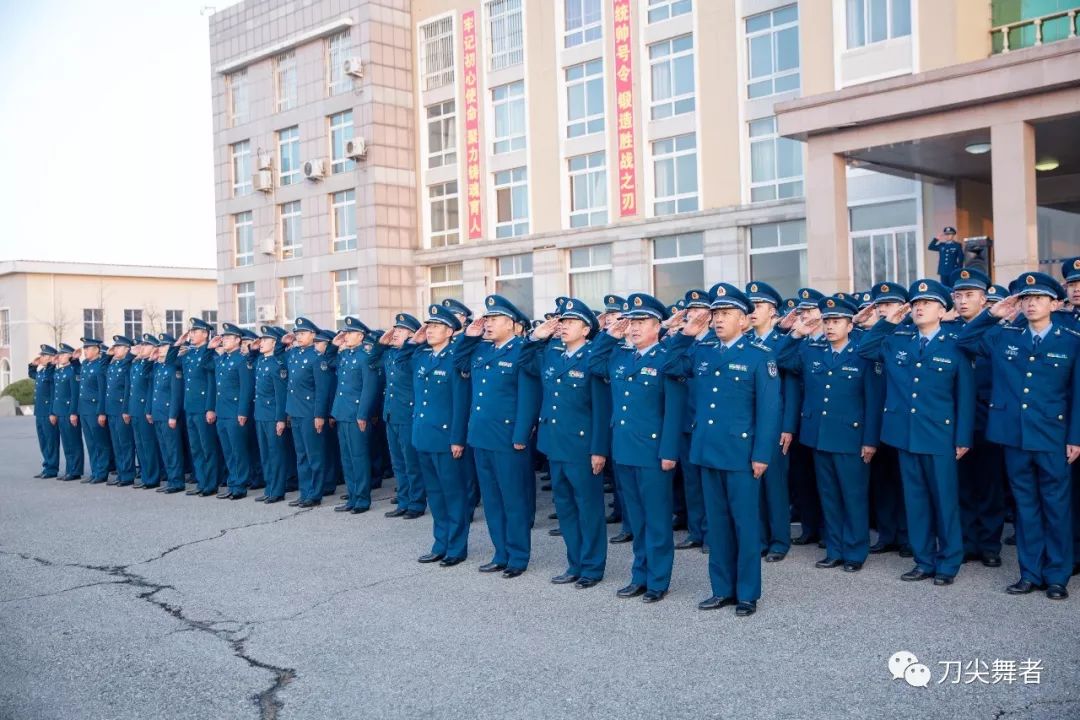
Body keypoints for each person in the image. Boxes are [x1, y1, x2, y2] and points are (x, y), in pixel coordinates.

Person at [957, 272, 1079, 600]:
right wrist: (991, 314)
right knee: (1026, 506)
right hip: (1014, 436)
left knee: (1056, 506)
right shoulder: (1004, 336)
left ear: (1054, 303)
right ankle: (1030, 573)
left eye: (1038, 298)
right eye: (1026, 298)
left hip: (1053, 436)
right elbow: (965, 341)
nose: (1031, 303)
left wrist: (1076, 436)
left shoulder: (1071, 340)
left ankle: (1057, 576)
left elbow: (1078, 393)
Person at [665, 284, 779, 616]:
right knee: (717, 525)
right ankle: (722, 589)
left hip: (741, 454)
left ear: (744, 320)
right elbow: (670, 367)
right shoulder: (703, 351)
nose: (718, 319)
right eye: (715, 314)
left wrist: (761, 455)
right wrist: (685, 335)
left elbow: (769, 410)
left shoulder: (759, 355)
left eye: (726, 314)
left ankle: (747, 594)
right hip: (708, 450)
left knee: (745, 525)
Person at [857, 279, 974, 586]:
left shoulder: (955, 343)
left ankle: (948, 562)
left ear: (942, 310)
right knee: (916, 501)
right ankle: (924, 561)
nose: (920, 307)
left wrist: (963, 436)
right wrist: (887, 322)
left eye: (927, 303)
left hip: (939, 436)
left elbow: (965, 394)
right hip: (905, 434)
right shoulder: (898, 340)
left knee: (944, 501)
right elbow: (865, 349)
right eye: (916, 303)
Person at [589, 293, 685, 604]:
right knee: (636, 518)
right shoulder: (620, 357)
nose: (634, 328)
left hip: (654, 453)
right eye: (631, 322)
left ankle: (658, 580)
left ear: (658, 326)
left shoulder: (666, 359)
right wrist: (609, 335)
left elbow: (674, 411)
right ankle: (639, 576)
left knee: (656, 519)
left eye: (642, 322)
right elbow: (593, 364)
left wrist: (669, 452)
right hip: (625, 449)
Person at [777, 296, 883, 572]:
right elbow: (782, 359)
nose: (831, 326)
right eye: (827, 321)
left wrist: (870, 440)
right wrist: (796, 334)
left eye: (837, 321)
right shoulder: (813, 351)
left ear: (850, 325)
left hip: (851, 438)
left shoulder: (862, 353)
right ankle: (835, 550)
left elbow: (872, 401)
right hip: (820, 436)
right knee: (829, 497)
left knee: (853, 497)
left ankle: (855, 552)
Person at [454, 295, 541, 578]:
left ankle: (518, 556)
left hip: (508, 437)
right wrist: (468, 337)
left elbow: (528, 397)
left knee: (513, 499)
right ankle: (500, 553)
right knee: (492, 500)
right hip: (481, 436)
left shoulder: (522, 351)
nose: (488, 324)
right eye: (487, 319)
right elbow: (458, 363)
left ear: (511, 324)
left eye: (494, 319)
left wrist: (521, 435)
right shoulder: (481, 350)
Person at [526, 299, 611, 588]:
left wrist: (599, 449)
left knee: (588, 509)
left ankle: (592, 567)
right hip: (555, 444)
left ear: (586, 330)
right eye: (562, 322)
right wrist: (535, 338)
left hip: (582, 447)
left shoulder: (593, 358)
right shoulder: (553, 355)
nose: (563, 327)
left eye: (570, 322)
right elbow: (525, 362)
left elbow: (601, 409)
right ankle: (575, 563)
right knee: (565, 508)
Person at [948, 268, 1005, 567]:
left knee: (989, 482)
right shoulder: (947, 329)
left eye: (969, 295)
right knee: (962, 482)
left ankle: (990, 544)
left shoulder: (997, 330)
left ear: (984, 299)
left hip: (987, 413)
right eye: (958, 295)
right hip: (955, 416)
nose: (962, 301)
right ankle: (968, 540)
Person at [411, 304, 472, 567]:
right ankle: (440, 544)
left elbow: (461, 403)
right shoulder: (423, 357)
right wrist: (413, 342)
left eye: (436, 327)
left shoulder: (455, 359)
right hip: (424, 436)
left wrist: (457, 438)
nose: (430, 330)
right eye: (429, 326)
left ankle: (456, 547)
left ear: (450, 332)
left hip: (446, 439)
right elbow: (401, 361)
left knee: (453, 494)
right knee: (435, 495)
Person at [745, 281, 798, 563]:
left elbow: (790, 387)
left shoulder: (781, 342)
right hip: (747, 423)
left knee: (774, 484)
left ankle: (779, 540)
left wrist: (788, 426)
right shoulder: (746, 341)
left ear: (773, 311)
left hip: (775, 423)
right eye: (750, 306)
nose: (753, 310)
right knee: (752, 483)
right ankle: (760, 538)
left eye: (759, 306)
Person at [283, 317, 335, 508]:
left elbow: (322, 390)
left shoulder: (317, 358)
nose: (299, 337)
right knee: (301, 455)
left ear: (313, 335)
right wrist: (284, 342)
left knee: (314, 455)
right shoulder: (294, 355)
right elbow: (278, 354)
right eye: (297, 334)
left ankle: (315, 493)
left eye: (303, 333)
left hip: (310, 413)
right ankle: (305, 492)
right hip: (295, 411)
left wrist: (320, 415)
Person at [330, 316, 379, 514]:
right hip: (342, 412)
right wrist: (334, 346)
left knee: (358, 457)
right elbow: (327, 361)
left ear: (360, 336)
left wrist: (363, 414)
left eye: (350, 333)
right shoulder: (345, 355)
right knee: (347, 458)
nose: (346, 336)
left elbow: (369, 388)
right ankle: (352, 497)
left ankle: (362, 499)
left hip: (356, 413)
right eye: (345, 332)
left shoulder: (365, 357)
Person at [379, 313, 426, 519]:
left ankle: (416, 503)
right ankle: (403, 500)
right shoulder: (390, 354)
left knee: (411, 463)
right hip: (391, 414)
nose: (396, 333)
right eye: (395, 329)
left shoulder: (416, 354)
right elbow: (372, 357)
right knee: (398, 463)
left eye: (401, 330)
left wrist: (412, 343)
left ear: (413, 335)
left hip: (407, 415)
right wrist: (383, 341)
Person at [175, 318, 224, 497]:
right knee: (196, 448)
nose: (191, 335)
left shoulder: (211, 354)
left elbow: (212, 383)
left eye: (195, 332)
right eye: (191, 332)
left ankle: (211, 484)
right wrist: (178, 344)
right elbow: (172, 362)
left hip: (203, 407)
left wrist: (210, 408)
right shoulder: (189, 354)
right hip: (190, 407)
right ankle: (202, 482)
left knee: (207, 448)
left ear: (205, 334)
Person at [209, 324, 254, 500]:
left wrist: (242, 412)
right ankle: (233, 483)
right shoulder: (221, 360)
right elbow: (206, 366)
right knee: (228, 451)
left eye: (228, 338)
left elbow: (246, 389)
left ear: (237, 340)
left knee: (238, 450)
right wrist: (209, 348)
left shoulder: (242, 361)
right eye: (224, 337)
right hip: (222, 411)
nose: (224, 340)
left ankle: (240, 486)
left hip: (235, 412)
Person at [149, 333, 186, 494]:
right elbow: (147, 378)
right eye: (160, 346)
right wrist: (150, 359)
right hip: (158, 413)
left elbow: (176, 394)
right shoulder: (158, 367)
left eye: (164, 346)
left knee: (173, 449)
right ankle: (171, 479)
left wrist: (173, 415)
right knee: (164, 449)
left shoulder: (173, 367)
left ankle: (177, 481)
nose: (160, 348)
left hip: (168, 415)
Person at [75, 337, 111, 484]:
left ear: (97, 350)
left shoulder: (100, 366)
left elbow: (102, 391)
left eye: (88, 348)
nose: (85, 351)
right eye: (84, 348)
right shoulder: (85, 364)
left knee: (100, 442)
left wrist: (101, 412)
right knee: (90, 443)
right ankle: (95, 471)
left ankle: (102, 472)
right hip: (84, 409)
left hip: (95, 409)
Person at [129, 337, 162, 489]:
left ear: (154, 348)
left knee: (148, 445)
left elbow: (150, 389)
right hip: (135, 409)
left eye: (146, 346)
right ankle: (145, 475)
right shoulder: (138, 363)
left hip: (144, 409)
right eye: (141, 345)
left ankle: (152, 478)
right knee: (140, 445)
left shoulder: (152, 365)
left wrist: (148, 410)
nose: (141, 348)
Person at [104, 336, 137, 487]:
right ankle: (121, 473)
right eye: (115, 347)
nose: (115, 349)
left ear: (127, 349)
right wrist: (109, 354)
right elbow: (102, 365)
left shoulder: (128, 364)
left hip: (121, 409)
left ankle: (128, 475)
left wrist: (126, 410)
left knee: (125, 443)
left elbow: (127, 390)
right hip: (111, 409)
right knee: (117, 444)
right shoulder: (113, 365)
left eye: (119, 347)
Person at [51, 343, 83, 481]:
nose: (60, 356)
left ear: (70, 356)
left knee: (74, 442)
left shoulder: (73, 371)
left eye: (63, 354)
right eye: (59, 354)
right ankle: (69, 469)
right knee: (66, 443)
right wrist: (54, 411)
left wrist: (73, 413)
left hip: (69, 412)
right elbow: (56, 394)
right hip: (60, 411)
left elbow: (75, 394)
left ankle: (76, 471)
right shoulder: (59, 372)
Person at [28, 346, 59, 479]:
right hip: (40, 411)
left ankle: (52, 468)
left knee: (51, 441)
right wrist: (32, 365)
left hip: (48, 412)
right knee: (43, 441)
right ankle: (47, 466)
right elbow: (32, 375)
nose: (40, 357)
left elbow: (53, 394)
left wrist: (52, 412)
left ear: (51, 358)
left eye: (43, 355)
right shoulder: (42, 371)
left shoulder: (52, 372)